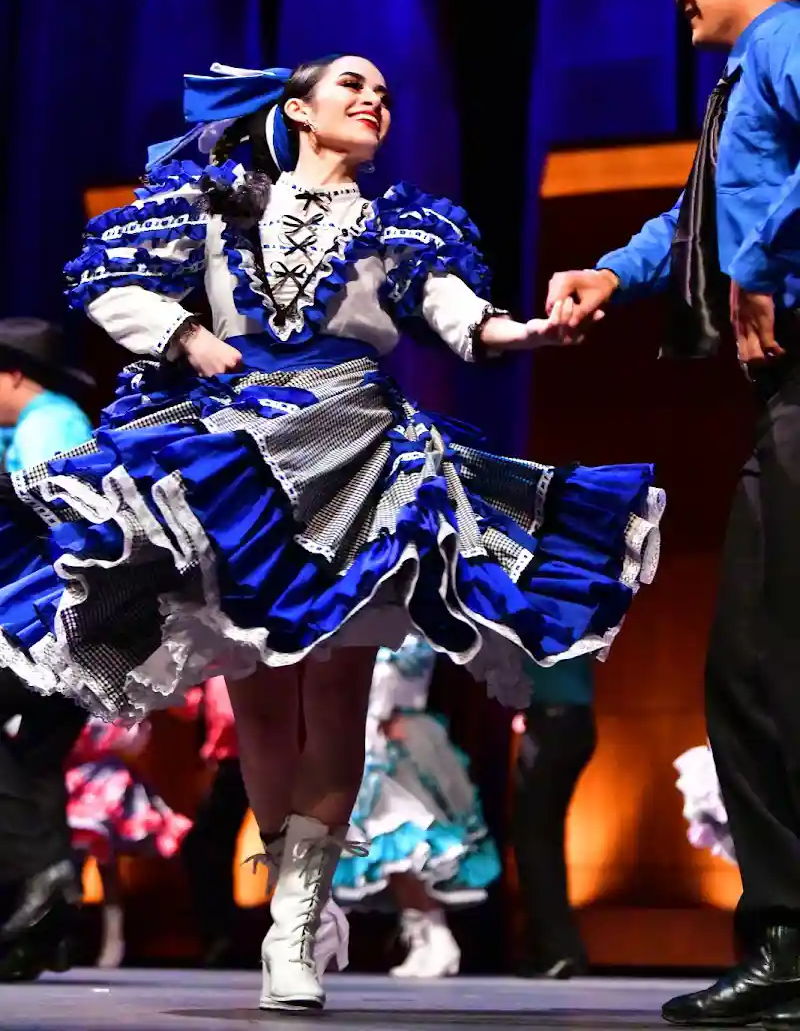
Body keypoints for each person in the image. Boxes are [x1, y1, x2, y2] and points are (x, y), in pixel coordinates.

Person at [0, 54, 663, 1012]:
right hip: (239, 456)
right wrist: (189, 341)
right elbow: (114, 285)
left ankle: (298, 922)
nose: (374, 101)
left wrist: (522, 335)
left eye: (387, 95)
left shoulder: (402, 222)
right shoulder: (218, 204)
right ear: (299, 109)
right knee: (262, 705)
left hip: (356, 451)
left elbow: (457, 314)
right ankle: (291, 906)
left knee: (339, 691)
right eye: (354, 86)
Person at [545, 0, 800, 1027]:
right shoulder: (748, 77)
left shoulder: (793, 38)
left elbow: (758, 215)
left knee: (753, 666)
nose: (678, 1)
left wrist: (761, 261)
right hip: (781, 398)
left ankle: (787, 942)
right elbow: (693, 212)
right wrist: (613, 271)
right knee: (762, 663)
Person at [0, 318, 94, 981]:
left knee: (29, 763)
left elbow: (59, 524)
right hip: (70, 630)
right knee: (32, 764)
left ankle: (42, 873)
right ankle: (46, 920)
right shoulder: (42, 424)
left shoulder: (47, 425)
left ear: (11, 374)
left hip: (56, 627)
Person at [333, 634, 501, 978]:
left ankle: (436, 935)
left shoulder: (412, 630)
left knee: (405, 843)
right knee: (388, 852)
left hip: (399, 739)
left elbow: (391, 681)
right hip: (370, 742)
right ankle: (426, 936)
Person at [64, 716, 191, 968]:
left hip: (106, 783)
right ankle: (64, 939)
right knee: (69, 867)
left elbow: (133, 738)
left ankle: (112, 942)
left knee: (105, 866)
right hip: (75, 780)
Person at [512, 656, 595, 979]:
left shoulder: (544, 609)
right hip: (570, 719)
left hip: (553, 719)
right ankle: (561, 950)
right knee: (543, 835)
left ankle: (555, 951)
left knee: (533, 837)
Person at [173, 677, 250, 967]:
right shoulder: (213, 664)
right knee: (204, 846)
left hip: (262, 758)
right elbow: (191, 708)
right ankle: (222, 935)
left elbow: (228, 717)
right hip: (232, 764)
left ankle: (227, 935)